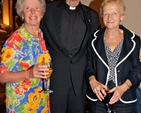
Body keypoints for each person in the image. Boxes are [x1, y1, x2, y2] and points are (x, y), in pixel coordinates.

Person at [40, 0, 100, 112]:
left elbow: (98, 46)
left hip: (79, 81)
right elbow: (35, 36)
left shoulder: (92, 15)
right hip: (55, 80)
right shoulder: (47, 10)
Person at [86, 0, 141, 113]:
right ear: (101, 16)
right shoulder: (93, 39)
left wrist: (124, 87)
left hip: (125, 101)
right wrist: (93, 81)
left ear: (122, 16)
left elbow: (137, 69)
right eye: (106, 13)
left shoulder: (134, 40)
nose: (110, 17)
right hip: (98, 100)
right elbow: (88, 64)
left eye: (114, 13)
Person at [0, 0, 51, 112]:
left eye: (36, 8)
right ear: (22, 14)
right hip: (21, 105)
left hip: (40, 102)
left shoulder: (40, 35)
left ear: (42, 13)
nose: (33, 12)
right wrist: (28, 73)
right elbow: (2, 76)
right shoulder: (15, 41)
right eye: (27, 8)